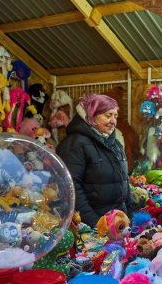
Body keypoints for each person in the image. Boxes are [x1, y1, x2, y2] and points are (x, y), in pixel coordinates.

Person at [57, 94, 134, 228]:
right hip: (94, 226)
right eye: (108, 115)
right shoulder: (75, 144)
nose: (113, 121)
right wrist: (96, 224)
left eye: (115, 116)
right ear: (92, 115)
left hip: (118, 224)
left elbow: (124, 183)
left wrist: (131, 216)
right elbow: (71, 188)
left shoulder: (115, 144)